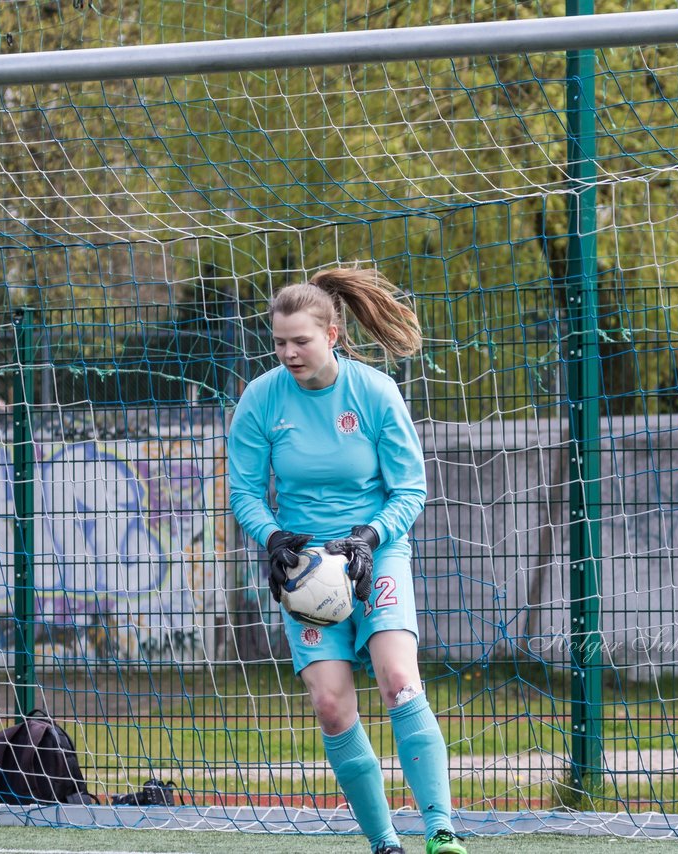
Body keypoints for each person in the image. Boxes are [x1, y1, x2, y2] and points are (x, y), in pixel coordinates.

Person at [227, 267, 467, 854]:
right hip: (307, 573)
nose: (288, 353)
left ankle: (440, 831)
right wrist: (274, 538)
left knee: (399, 681)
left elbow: (410, 489)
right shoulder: (260, 399)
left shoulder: (375, 392)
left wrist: (369, 536)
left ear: (332, 334)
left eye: (300, 341)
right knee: (332, 705)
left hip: (375, 556)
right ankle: (384, 843)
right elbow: (244, 493)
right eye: (279, 342)